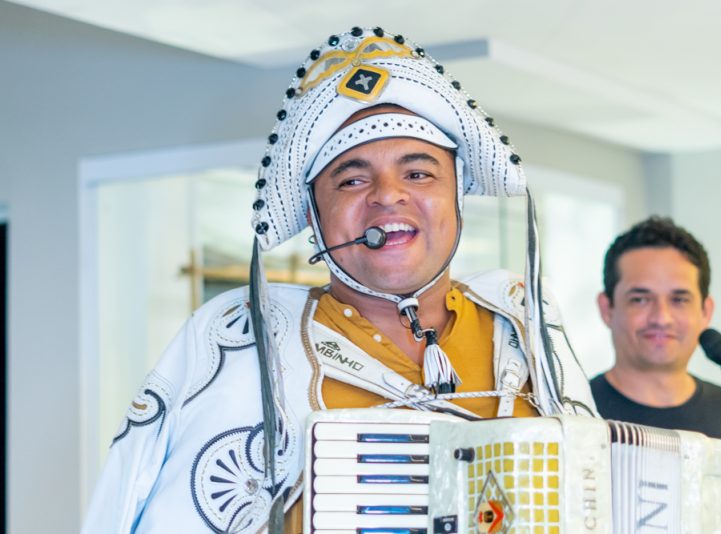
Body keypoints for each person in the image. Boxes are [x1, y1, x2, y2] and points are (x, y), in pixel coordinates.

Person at [81, 27, 596, 533]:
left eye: (418, 173)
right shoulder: (238, 342)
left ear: (457, 195)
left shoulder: (523, 318)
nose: (387, 194)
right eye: (352, 179)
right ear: (314, 215)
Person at [591, 216, 721, 534]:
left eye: (679, 299)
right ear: (607, 308)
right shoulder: (571, 416)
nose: (661, 317)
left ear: (705, 311)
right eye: (640, 299)